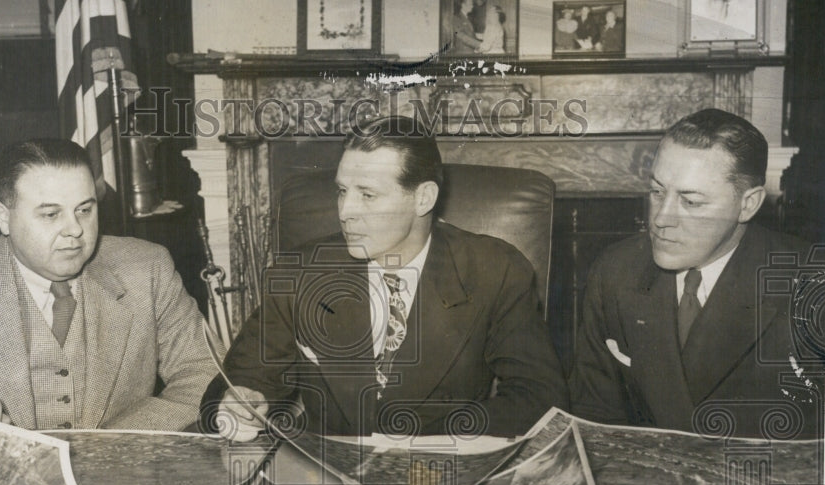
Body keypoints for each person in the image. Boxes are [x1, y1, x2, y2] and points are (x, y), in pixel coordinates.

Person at [204, 115, 568, 440]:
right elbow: (238, 381)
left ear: (423, 198)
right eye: (342, 191)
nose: (345, 212)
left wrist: (426, 440)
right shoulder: (301, 272)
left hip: (443, 471)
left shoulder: (495, 270)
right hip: (329, 476)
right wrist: (238, 403)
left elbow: (541, 400)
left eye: (368, 195)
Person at [0, 138, 214, 431]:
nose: (75, 229)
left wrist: (117, 444)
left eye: (84, 210)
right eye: (51, 214)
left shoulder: (147, 269)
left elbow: (204, 372)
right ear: (3, 217)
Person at [569, 109, 825, 440]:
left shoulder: (815, 287)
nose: (661, 219)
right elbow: (593, 419)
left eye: (690, 202)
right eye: (657, 192)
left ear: (748, 204)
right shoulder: (615, 271)